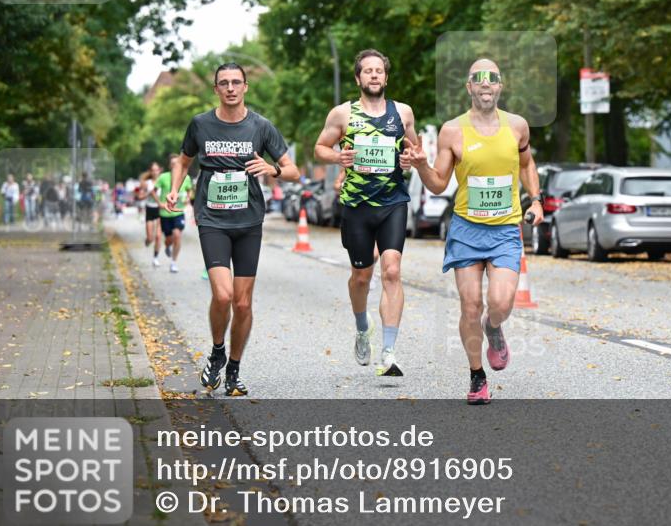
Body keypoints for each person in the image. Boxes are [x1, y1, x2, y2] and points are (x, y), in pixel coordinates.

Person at [405, 59, 543, 404]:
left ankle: (493, 327)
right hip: (466, 230)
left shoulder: (517, 126)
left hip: (505, 230)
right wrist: (421, 165)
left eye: (491, 78)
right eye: (477, 79)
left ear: (500, 86)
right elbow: (438, 184)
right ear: (469, 87)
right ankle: (477, 376)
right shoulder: (453, 130)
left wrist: (537, 200)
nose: (485, 84)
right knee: (470, 305)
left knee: (500, 303)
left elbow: (527, 164)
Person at [164, 62, 300, 396]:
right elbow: (184, 161)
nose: (230, 88)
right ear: (216, 89)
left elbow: (293, 170)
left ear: (245, 87)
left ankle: (234, 369)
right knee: (223, 295)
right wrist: (176, 189)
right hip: (212, 219)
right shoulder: (200, 124)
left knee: (242, 303)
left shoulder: (261, 126)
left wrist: (272, 169)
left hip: (249, 221)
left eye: (236, 82)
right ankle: (217, 352)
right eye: (223, 83)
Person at [313, 49, 419, 377]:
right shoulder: (342, 114)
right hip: (357, 206)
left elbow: (414, 149)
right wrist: (337, 158)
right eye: (368, 71)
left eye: (379, 71)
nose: (374, 75)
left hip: (392, 202)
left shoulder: (403, 112)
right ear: (358, 78)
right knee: (361, 277)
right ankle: (362, 328)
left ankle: (388, 352)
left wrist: (410, 159)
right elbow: (319, 148)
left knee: (392, 271)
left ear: (386, 77)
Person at [155, 153, 193, 273]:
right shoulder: (163, 177)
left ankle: (173, 262)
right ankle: (167, 245)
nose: (175, 166)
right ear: (170, 165)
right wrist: (159, 203)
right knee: (169, 239)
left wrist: (188, 198)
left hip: (179, 212)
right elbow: (153, 191)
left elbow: (189, 190)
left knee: (177, 234)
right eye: (173, 164)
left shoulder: (186, 177)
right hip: (165, 213)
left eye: (177, 163)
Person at [139, 162, 163, 264]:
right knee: (150, 238)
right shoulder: (146, 183)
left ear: (159, 170)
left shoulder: (162, 181)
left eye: (156, 170)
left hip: (160, 210)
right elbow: (140, 197)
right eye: (153, 170)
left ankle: (155, 258)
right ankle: (147, 241)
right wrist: (149, 193)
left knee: (158, 236)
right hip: (150, 209)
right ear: (150, 171)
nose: (155, 172)